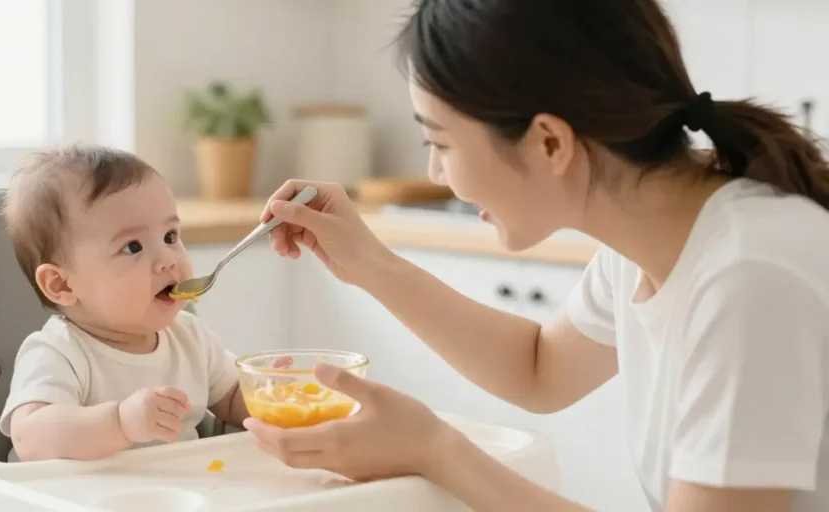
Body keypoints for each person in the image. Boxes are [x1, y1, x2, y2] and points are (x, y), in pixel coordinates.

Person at [242, 1, 829, 511]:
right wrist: (370, 263)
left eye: (440, 142)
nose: (435, 172)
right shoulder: (651, 240)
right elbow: (540, 368)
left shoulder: (749, 278)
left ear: (550, 141)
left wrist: (436, 451)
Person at [0, 144, 248, 462]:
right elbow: (30, 437)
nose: (167, 259)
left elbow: (232, 398)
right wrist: (120, 423)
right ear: (62, 285)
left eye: (170, 236)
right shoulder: (60, 352)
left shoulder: (190, 337)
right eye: (132, 247)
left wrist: (274, 392)